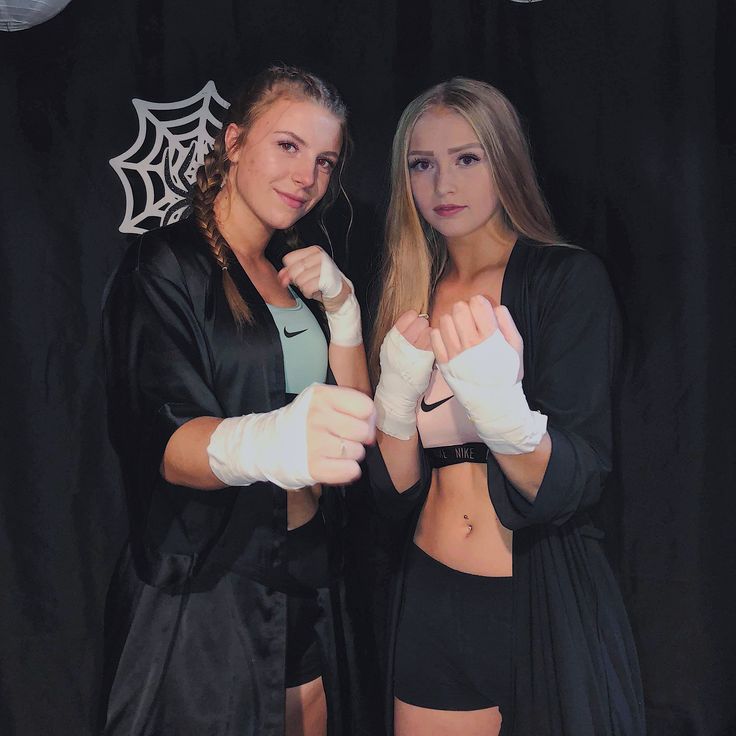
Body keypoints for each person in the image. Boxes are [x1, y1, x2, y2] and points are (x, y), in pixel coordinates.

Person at [99, 64, 375, 736]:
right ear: (233, 142)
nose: (307, 177)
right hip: (210, 587)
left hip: (310, 566)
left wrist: (343, 313)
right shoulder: (166, 264)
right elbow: (168, 442)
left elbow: (353, 419)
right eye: (288, 146)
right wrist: (273, 441)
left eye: (325, 161)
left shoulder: (300, 267)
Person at [366, 78, 645, 736]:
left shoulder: (565, 280)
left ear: (506, 161)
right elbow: (393, 488)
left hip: (533, 598)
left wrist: (503, 412)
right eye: (421, 164)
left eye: (467, 158)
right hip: (432, 599)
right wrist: (396, 404)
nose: (442, 185)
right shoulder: (410, 288)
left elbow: (574, 481)